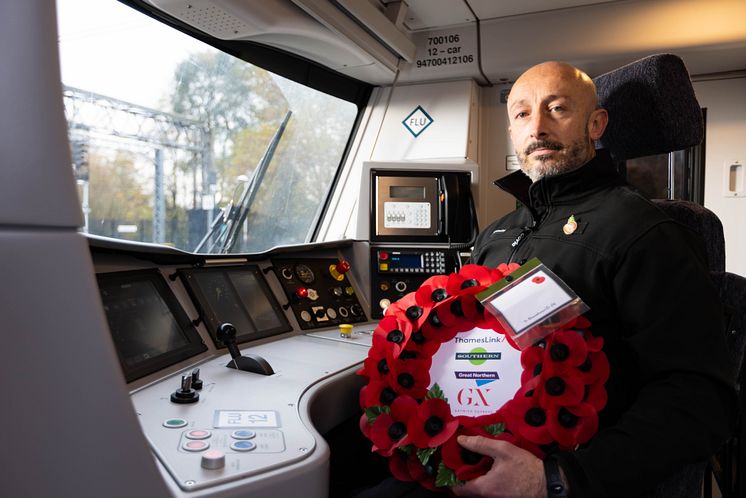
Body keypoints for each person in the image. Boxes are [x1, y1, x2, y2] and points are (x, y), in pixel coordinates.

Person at [458, 61, 737, 497]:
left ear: (595, 124)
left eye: (557, 109)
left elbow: (698, 399)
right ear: (512, 132)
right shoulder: (496, 234)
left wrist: (556, 479)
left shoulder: (643, 233)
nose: (538, 128)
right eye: (522, 114)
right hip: (480, 442)